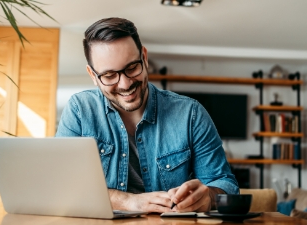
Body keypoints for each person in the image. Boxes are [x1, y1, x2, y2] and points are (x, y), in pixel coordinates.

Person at [56, 17, 239, 213]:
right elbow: (60, 185)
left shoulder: (190, 114)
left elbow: (226, 186)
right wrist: (128, 201)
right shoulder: (79, 110)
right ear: (93, 76)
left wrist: (208, 197)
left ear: (144, 57)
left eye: (132, 67)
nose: (125, 84)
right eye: (109, 76)